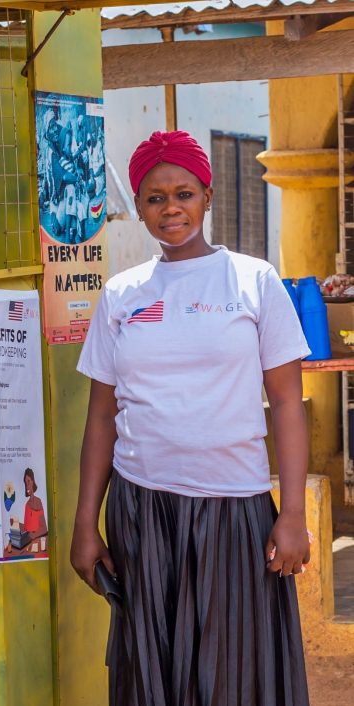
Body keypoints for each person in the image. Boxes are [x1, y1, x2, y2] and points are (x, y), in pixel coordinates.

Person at [71, 130, 310, 705]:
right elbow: (102, 416)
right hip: (141, 507)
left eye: (184, 193)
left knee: (232, 673)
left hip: (234, 507)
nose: (170, 208)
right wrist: (85, 523)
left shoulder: (255, 282)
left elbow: (285, 403)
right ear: (140, 207)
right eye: (155, 198)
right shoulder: (122, 295)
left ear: (207, 198)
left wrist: (294, 512)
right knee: (150, 669)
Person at [21, 468, 47, 537]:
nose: (27, 486)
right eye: (26, 483)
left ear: (33, 481)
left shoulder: (38, 501)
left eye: (29, 481)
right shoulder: (27, 505)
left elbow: (44, 528)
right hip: (28, 541)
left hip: (36, 541)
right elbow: (26, 528)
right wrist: (16, 524)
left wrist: (32, 534)